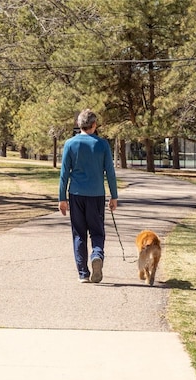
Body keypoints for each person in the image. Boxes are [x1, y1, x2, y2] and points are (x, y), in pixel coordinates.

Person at [58, 109, 118, 283]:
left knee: (79, 234)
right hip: (96, 195)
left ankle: (83, 273)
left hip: (76, 195)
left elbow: (64, 174)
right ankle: (97, 255)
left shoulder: (70, 144)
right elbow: (110, 173)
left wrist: (62, 198)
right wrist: (113, 196)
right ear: (94, 125)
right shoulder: (102, 144)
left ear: (78, 124)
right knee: (97, 232)